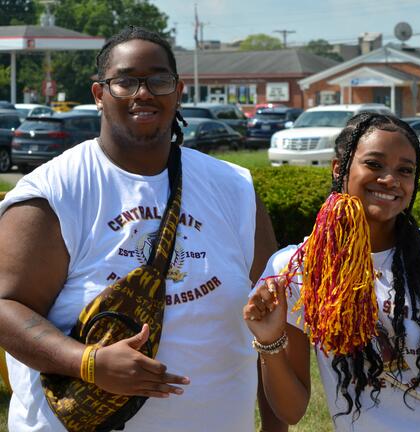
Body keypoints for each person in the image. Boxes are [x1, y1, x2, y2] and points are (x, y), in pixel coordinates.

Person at [0, 26, 278, 431]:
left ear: (178, 90)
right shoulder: (55, 191)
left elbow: (271, 321)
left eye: (158, 80)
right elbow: (6, 307)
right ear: (99, 94)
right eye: (125, 81)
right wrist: (88, 363)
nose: (143, 93)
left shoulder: (235, 189)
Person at [244, 112, 420, 431]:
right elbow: (291, 411)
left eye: (405, 170)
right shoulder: (294, 269)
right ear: (339, 168)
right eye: (374, 164)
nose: (390, 179)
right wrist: (270, 340)